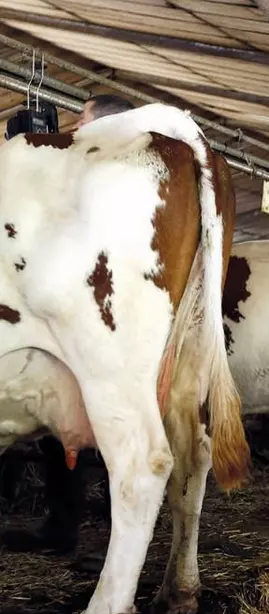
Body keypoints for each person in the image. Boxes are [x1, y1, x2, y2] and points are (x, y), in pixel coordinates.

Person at [1, 94, 134, 558]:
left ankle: (82, 524)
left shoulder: (97, 176)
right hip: (92, 328)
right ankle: (68, 523)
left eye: (83, 119)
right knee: (68, 435)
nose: (75, 127)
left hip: (88, 322)